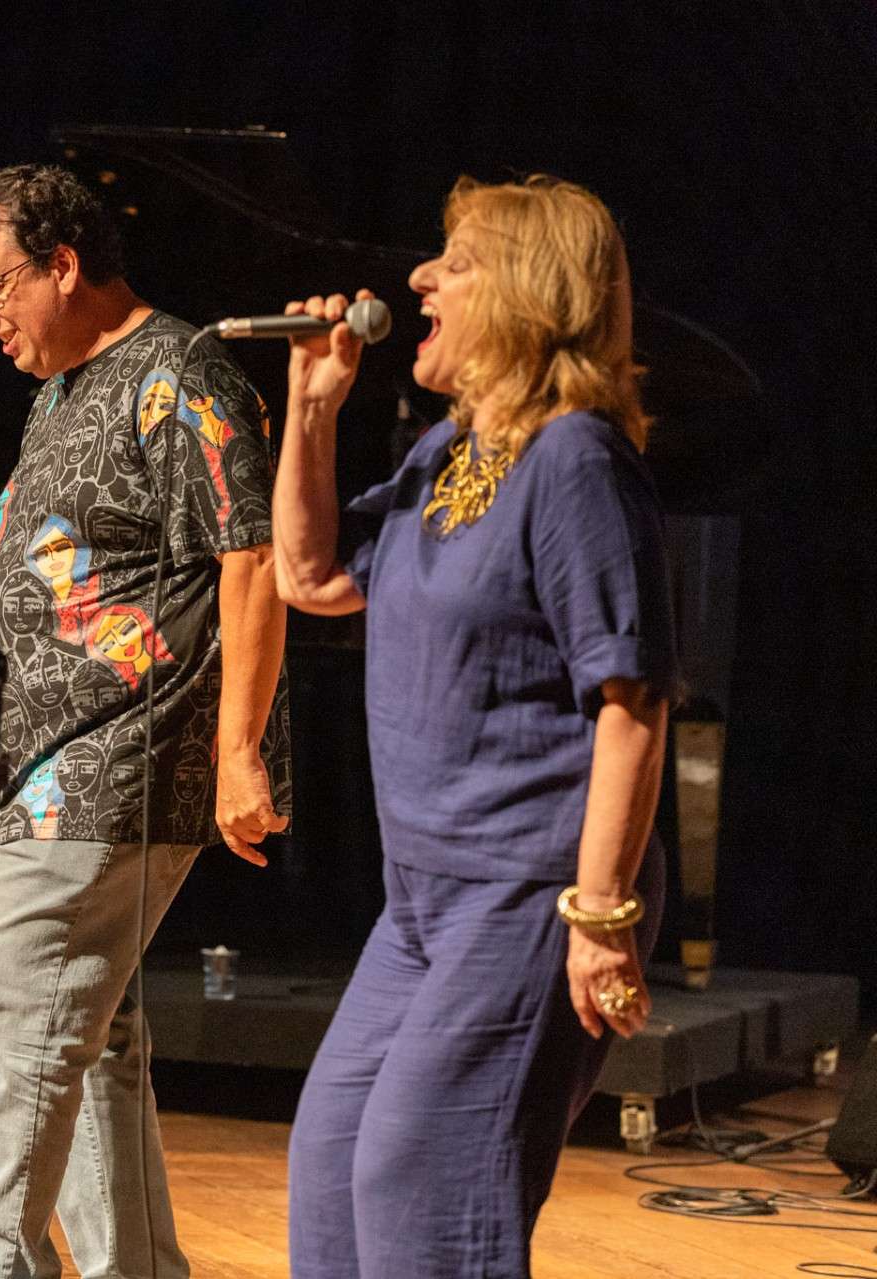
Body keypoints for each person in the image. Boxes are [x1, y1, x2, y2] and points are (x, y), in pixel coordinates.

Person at [0, 162, 291, 1279]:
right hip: (38, 762)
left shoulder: (184, 374)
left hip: (118, 762)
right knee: (93, 1038)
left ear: (63, 264)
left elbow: (251, 562)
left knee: (19, 1034)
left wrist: (239, 752)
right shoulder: (61, 392)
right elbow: (74, 580)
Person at [272, 175, 674, 1278]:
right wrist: (311, 410)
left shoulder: (576, 462)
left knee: (424, 1183)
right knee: (335, 1157)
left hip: (529, 894)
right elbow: (308, 576)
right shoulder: (448, 456)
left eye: (453, 261)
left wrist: (600, 916)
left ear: (527, 294)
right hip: (422, 902)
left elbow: (633, 704)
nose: (418, 280)